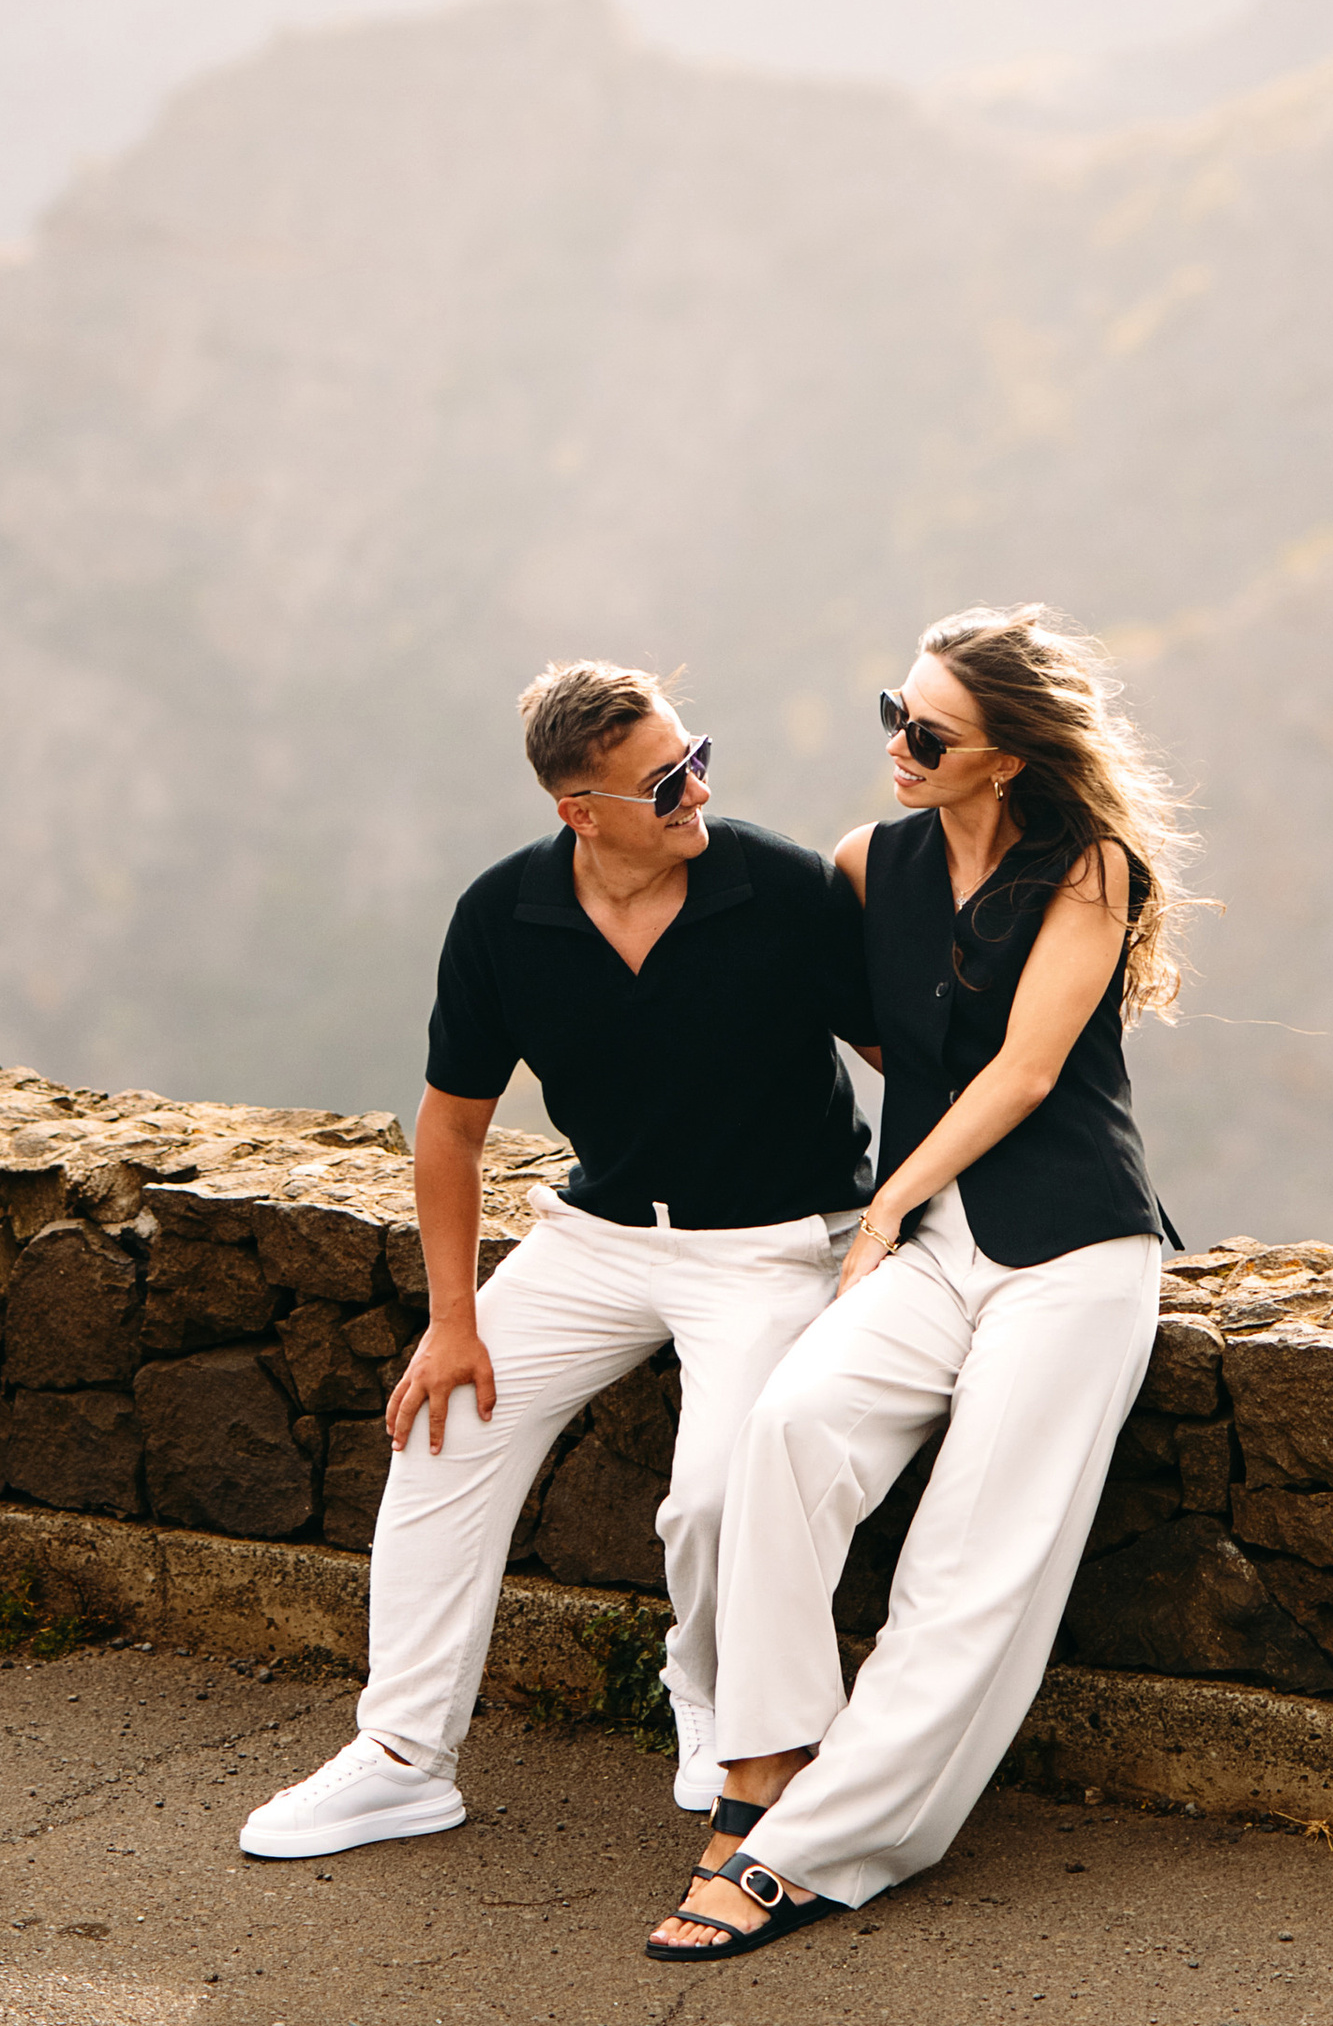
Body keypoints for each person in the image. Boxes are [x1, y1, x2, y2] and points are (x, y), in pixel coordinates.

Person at [241, 659, 873, 1861]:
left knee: (719, 1494)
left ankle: (711, 1698)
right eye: (664, 782)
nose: (697, 792)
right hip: (597, 1237)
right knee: (442, 1427)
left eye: (695, 760)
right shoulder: (503, 915)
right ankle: (402, 1758)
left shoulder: (782, 886)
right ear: (578, 810)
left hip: (772, 1244)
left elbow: (909, 1057)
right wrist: (451, 1323)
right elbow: (450, 1131)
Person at [644, 603, 1183, 1962]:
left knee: (966, 1565)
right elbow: (879, 1037)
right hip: (937, 1243)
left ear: (1009, 757)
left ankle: (816, 1852)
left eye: (930, 733)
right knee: (787, 1430)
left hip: (1072, 1250)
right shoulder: (866, 864)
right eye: (895, 712)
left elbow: (1027, 1073)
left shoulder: (1089, 867)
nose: (898, 743)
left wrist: (885, 1197)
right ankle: (765, 1766)